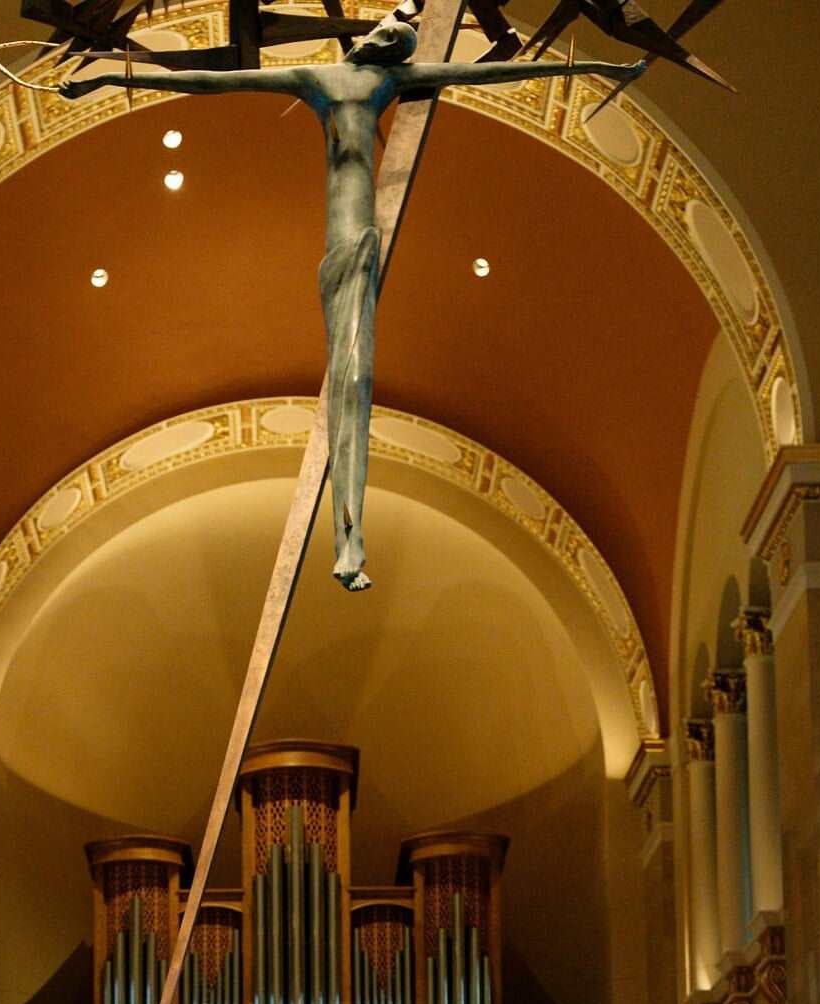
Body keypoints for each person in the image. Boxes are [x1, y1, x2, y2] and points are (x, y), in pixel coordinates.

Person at [63, 8, 645, 589]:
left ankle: (351, 539)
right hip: (341, 249)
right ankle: (349, 537)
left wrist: (591, 67)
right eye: (389, 33)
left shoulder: (387, 82)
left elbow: (483, 76)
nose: (389, 38)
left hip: (363, 241)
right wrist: (114, 77)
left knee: (358, 378)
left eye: (397, 41)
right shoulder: (320, 80)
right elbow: (210, 82)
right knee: (350, 376)